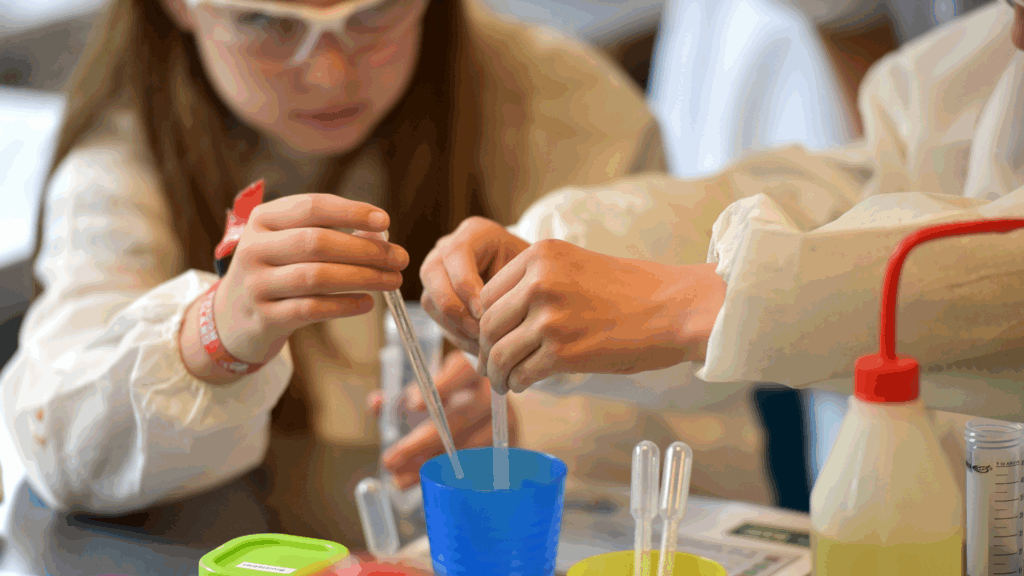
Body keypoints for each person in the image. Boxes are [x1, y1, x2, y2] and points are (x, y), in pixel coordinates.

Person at [0, 0, 670, 549]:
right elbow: (58, 448)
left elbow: (691, 421)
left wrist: (523, 427)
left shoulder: (568, 112)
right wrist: (211, 336)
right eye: (264, 22)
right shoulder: (125, 153)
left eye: (373, 14)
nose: (328, 75)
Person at [399, 0, 1024, 487]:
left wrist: (706, 303)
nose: (1014, 34)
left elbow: (995, 271)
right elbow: (871, 191)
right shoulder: (972, 65)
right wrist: (546, 251)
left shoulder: (553, 90)